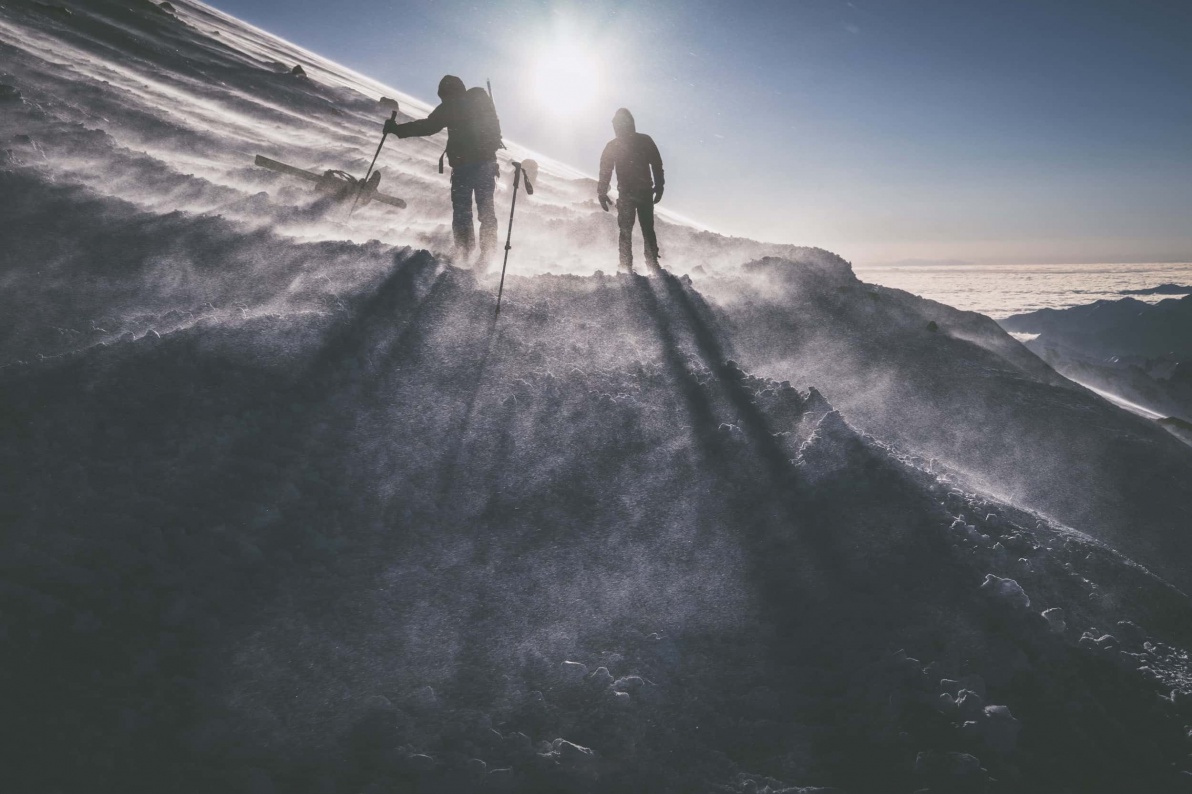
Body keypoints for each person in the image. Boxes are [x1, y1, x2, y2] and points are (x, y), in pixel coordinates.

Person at [385, 75, 503, 269]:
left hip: (464, 166)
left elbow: (429, 126)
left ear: (448, 93)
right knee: (487, 212)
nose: (443, 101)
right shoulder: (480, 102)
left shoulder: (452, 105)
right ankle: (487, 255)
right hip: (487, 165)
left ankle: (464, 255)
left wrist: (397, 130)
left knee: (462, 212)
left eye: (443, 97)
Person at [597, 108, 665, 273]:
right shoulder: (626, 143)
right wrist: (601, 192)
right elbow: (606, 170)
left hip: (639, 193)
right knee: (634, 230)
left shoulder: (637, 141)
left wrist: (659, 185)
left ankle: (640, 265)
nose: (618, 127)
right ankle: (630, 266)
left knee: (638, 230)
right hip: (634, 193)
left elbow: (656, 164)